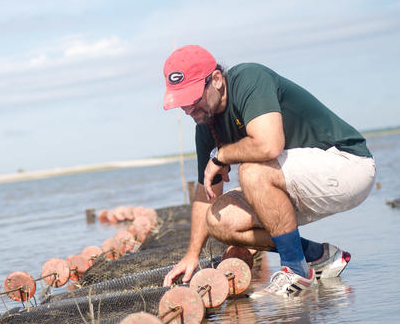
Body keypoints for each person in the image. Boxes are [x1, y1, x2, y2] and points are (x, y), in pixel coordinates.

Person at [161, 45, 376, 298]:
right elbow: (205, 194)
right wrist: (192, 255)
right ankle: (319, 257)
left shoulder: (249, 79)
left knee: (253, 171)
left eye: (193, 98)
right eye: (182, 102)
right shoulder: (206, 125)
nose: (187, 108)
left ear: (217, 80)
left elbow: (268, 145)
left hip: (347, 166)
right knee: (220, 219)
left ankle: (295, 271)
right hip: (299, 181)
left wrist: (221, 156)